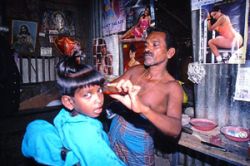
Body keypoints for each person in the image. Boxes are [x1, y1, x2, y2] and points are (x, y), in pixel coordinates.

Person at [22, 56, 125, 166]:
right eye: (87, 95)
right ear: (69, 102)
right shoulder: (88, 135)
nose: (99, 100)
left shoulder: (65, 117)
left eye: (99, 90)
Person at [108, 28, 183, 165]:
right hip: (116, 129)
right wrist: (115, 88)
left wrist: (144, 109)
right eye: (146, 45)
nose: (147, 49)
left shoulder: (172, 87)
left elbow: (175, 129)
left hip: (138, 140)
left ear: (170, 53)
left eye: (155, 45)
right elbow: (105, 88)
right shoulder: (135, 70)